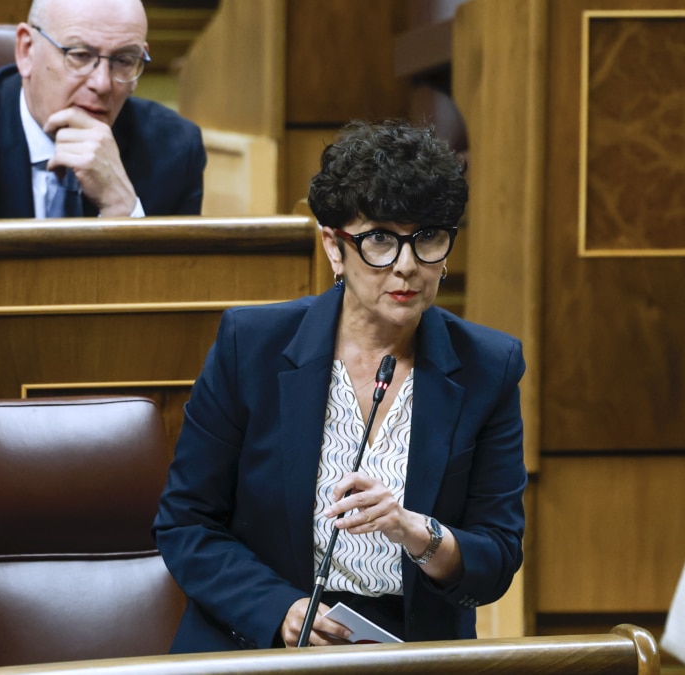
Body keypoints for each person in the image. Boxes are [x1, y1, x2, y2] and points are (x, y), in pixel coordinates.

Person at [153, 120, 527, 651]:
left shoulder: (488, 366)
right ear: (334, 246)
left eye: (428, 238)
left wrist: (416, 532)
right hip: (263, 638)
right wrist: (279, 610)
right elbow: (186, 523)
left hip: (408, 649)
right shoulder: (251, 346)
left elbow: (498, 555)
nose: (406, 266)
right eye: (380, 239)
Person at [0, 0, 206, 221]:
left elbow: (177, 298)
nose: (103, 83)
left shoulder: (175, 149)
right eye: (79, 55)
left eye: (124, 60)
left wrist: (124, 209)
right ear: (26, 50)